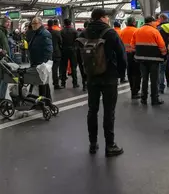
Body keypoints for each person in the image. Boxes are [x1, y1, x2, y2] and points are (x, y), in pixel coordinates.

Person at [82, 8, 125, 157]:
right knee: (109, 112)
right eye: (106, 17)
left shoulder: (84, 33)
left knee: (92, 110)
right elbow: (121, 55)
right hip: (109, 78)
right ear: (102, 18)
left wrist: (86, 74)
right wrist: (121, 74)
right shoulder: (110, 33)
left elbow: (81, 56)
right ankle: (110, 145)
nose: (108, 19)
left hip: (92, 77)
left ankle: (93, 144)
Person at [131, 16, 167, 105]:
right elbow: (162, 45)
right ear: (151, 22)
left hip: (141, 60)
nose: (155, 23)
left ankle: (143, 98)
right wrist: (164, 54)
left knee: (144, 79)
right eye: (154, 21)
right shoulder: (155, 31)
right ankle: (154, 99)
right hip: (154, 60)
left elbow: (132, 45)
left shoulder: (137, 31)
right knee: (154, 80)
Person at [27, 17, 53, 98]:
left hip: (41, 62)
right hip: (36, 61)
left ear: (40, 24)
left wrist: (44, 63)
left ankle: (43, 101)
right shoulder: (36, 33)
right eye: (32, 23)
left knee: (42, 82)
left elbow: (48, 49)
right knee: (42, 82)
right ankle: (47, 100)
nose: (33, 25)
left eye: (35, 23)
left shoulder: (45, 33)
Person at [119, 17, 140, 98]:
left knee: (130, 73)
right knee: (137, 73)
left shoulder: (122, 31)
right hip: (135, 54)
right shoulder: (136, 31)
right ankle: (136, 91)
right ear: (134, 22)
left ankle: (132, 90)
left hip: (125, 54)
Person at [157, 14, 169, 94]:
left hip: (162, 52)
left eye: (159, 18)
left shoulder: (159, 29)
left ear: (162, 18)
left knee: (161, 71)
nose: (158, 20)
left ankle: (161, 88)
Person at [60, 18, 80, 88]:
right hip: (72, 51)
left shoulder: (61, 31)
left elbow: (60, 42)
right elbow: (77, 41)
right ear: (70, 23)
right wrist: (75, 48)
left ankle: (63, 83)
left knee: (63, 67)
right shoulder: (74, 31)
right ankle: (75, 83)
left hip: (64, 50)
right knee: (73, 67)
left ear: (64, 24)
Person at [46, 19, 64, 90]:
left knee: (45, 69)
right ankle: (56, 84)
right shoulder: (56, 32)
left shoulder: (44, 32)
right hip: (56, 53)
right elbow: (60, 42)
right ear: (53, 24)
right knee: (55, 69)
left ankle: (44, 84)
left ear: (47, 24)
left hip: (47, 54)